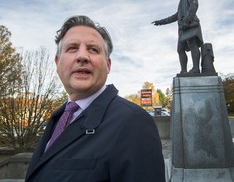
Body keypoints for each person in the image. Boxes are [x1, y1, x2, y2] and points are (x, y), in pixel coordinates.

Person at [25, 15, 165, 182]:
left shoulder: (134, 122)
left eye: (93, 49)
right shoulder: (58, 117)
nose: (82, 56)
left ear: (108, 65)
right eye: (72, 48)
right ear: (57, 63)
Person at [152, 0, 204, 75]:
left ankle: (196, 68)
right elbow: (174, 16)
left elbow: (194, 5)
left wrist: (187, 21)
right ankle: (183, 71)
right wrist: (160, 22)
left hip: (190, 24)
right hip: (183, 28)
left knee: (193, 45)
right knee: (180, 49)